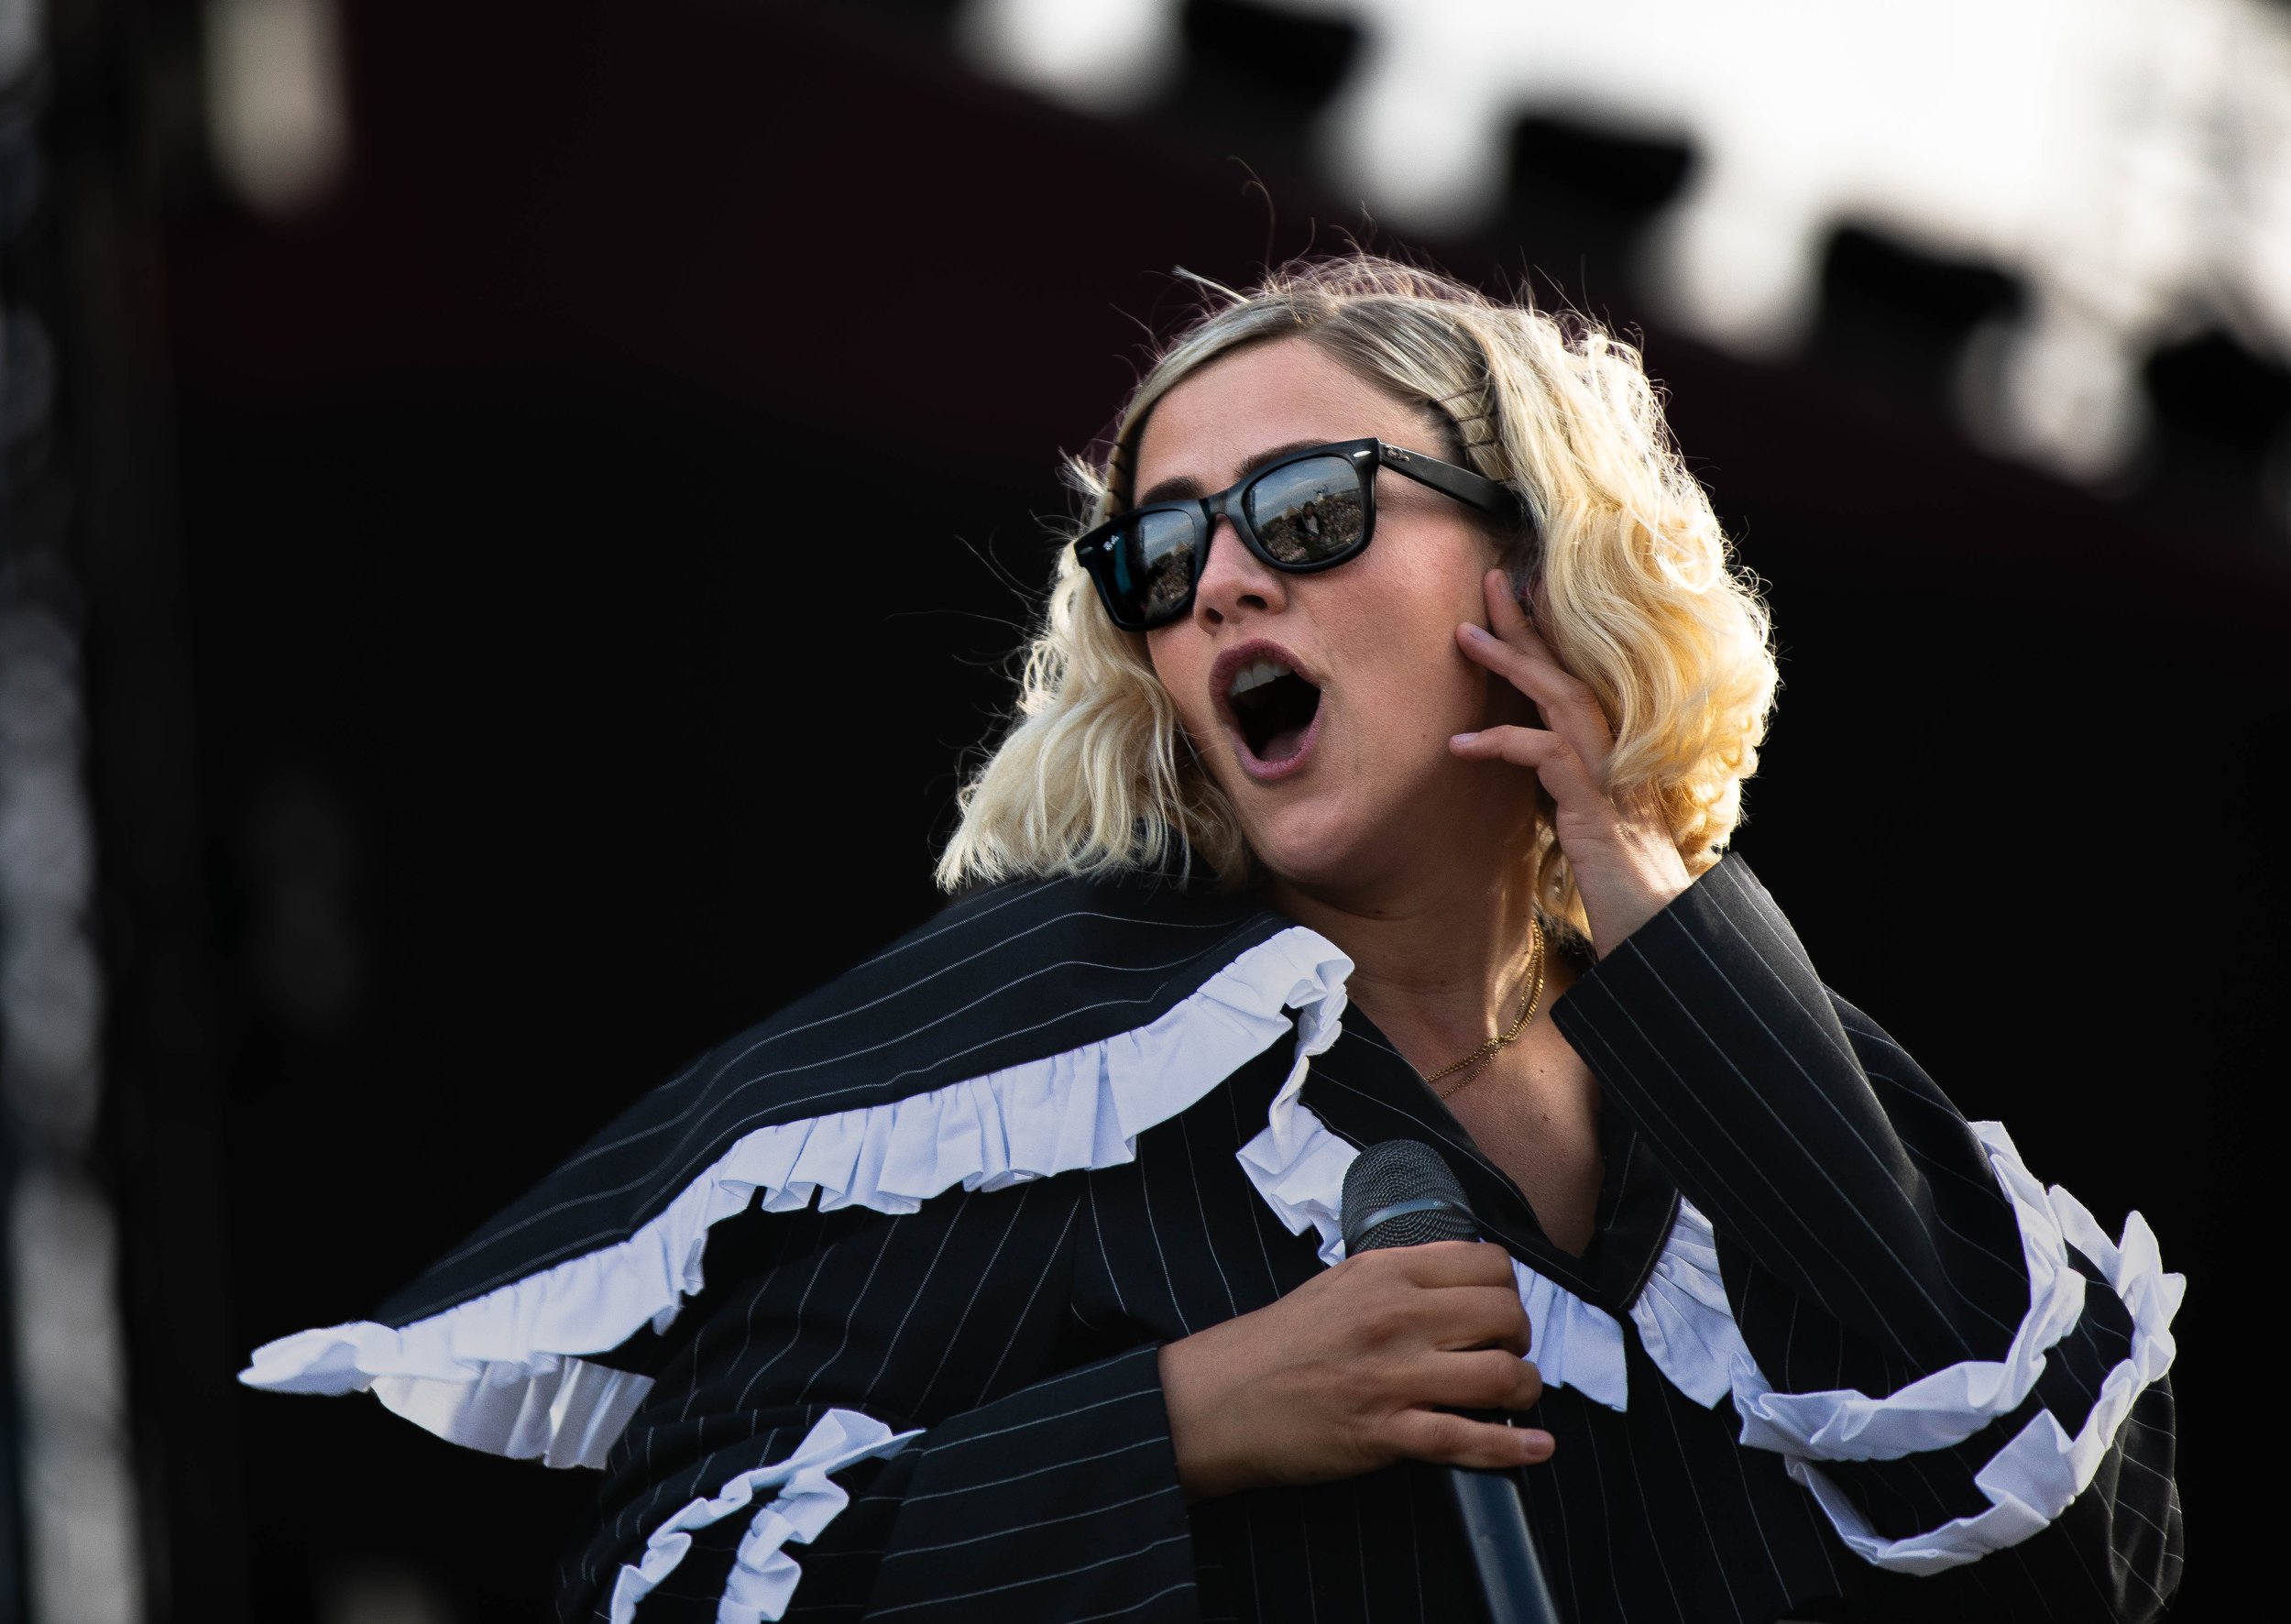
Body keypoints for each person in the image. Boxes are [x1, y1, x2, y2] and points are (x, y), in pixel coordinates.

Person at [244, 257, 2183, 1623]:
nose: (1224, 573)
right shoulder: (1040, 1068)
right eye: (1158, 556)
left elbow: (2072, 1555)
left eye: (1308, 506)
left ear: (1529, 565)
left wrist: (1654, 901)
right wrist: (1186, 1425)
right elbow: (676, 1582)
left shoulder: (1742, 1060)